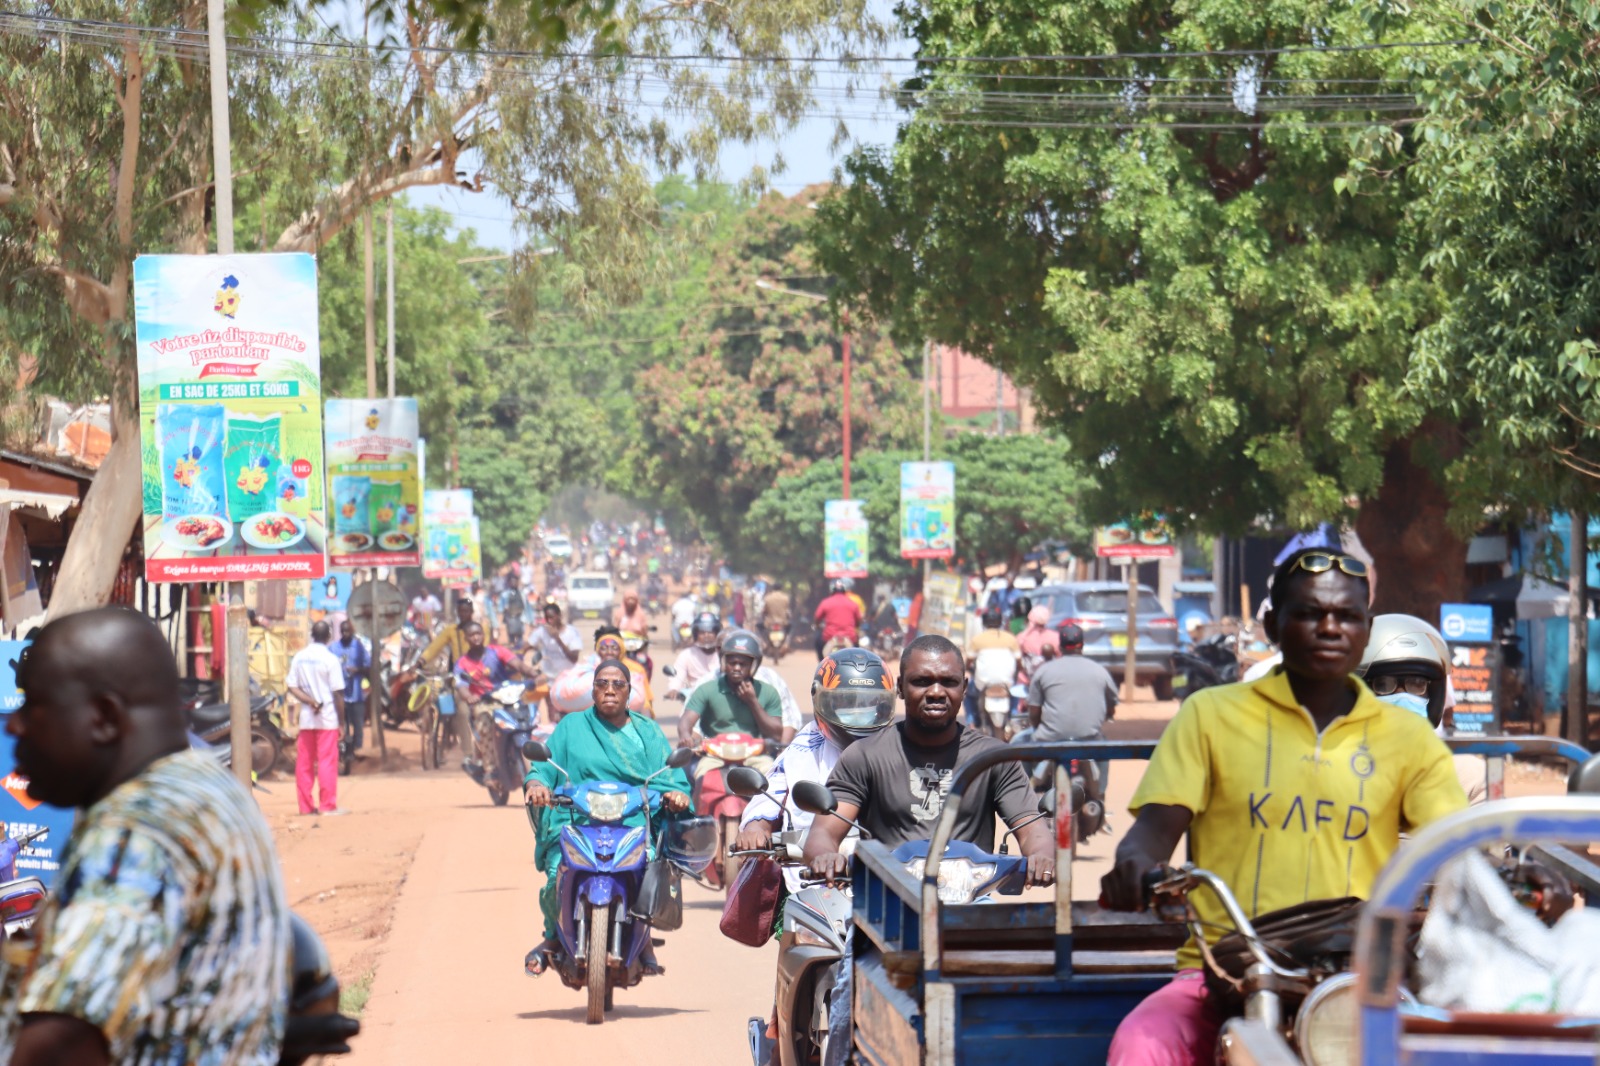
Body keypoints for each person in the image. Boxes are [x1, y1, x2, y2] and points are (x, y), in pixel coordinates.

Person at [1102, 549, 1468, 1065]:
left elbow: (1456, 844)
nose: (1329, 628)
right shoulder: (1210, 715)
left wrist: (1516, 881)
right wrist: (1134, 862)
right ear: (1273, 624)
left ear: (1365, 631)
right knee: (1145, 1043)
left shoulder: (1409, 738)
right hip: (1223, 968)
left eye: (1346, 617)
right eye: (1309, 613)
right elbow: (1157, 826)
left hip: (1357, 972)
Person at [0, 607, 292, 1065]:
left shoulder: (133, 831)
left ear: (103, 717)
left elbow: (63, 1039)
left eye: (33, 706)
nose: (14, 726)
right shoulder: (209, 788)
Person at [804, 634, 1055, 886]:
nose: (936, 692)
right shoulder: (864, 755)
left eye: (949, 682)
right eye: (922, 681)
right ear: (900, 688)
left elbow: (1032, 829)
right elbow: (824, 831)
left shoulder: (994, 759)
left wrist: (1041, 856)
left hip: (973, 906)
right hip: (885, 903)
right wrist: (825, 856)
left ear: (964, 688)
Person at [522, 659, 692, 977]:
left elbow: (669, 775)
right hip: (577, 819)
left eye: (618, 684)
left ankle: (643, 937)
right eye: (602, 684)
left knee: (650, 868)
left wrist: (676, 794)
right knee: (555, 875)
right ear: (593, 690)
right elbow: (544, 766)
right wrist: (537, 783)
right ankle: (553, 937)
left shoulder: (647, 731)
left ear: (629, 692)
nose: (610, 690)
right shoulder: (572, 727)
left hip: (630, 823)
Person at [734, 648, 897, 890]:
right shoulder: (804, 747)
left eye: (870, 704)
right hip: (813, 877)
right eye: (844, 702)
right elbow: (775, 787)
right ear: (819, 699)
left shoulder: (899, 746)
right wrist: (756, 827)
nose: (858, 713)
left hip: (891, 875)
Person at [1016, 623, 1117, 787]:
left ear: (1060, 647)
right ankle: (1100, 795)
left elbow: (1034, 712)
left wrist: (1037, 727)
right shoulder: (1100, 671)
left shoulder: (1044, 671)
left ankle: (1023, 797)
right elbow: (1111, 706)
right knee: (1105, 752)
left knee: (1017, 744)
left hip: (1049, 739)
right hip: (1090, 739)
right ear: (1082, 645)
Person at [676, 630, 786, 777]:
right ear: (723, 662)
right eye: (732, 663)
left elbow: (776, 734)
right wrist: (685, 736)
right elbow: (687, 719)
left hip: (755, 756)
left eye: (743, 664)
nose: (736, 668)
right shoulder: (707, 689)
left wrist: (752, 701)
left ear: (754, 665)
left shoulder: (768, 692)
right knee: (701, 776)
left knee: (772, 776)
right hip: (714, 756)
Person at [683, 628, 802, 743]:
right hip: (715, 753)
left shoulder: (770, 681)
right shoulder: (706, 684)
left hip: (758, 754)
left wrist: (779, 753)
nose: (737, 667)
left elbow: (788, 723)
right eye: (720, 648)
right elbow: (692, 728)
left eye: (743, 662)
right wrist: (691, 741)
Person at [454, 622, 532, 784]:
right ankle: (491, 769)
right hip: (484, 702)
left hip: (505, 697)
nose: (476, 637)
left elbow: (516, 663)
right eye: (472, 635)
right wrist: (469, 696)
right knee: (484, 721)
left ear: (483, 635)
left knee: (528, 717)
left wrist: (531, 672)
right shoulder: (462, 663)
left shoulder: (497, 651)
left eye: (478, 633)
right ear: (466, 638)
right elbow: (461, 686)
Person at [287, 620, 347, 816]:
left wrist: (309, 700)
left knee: (304, 763)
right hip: (327, 718)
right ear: (329, 636)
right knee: (326, 762)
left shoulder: (299, 657)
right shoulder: (330, 660)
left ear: (312, 635)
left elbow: (292, 686)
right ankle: (327, 805)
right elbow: (338, 694)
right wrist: (342, 722)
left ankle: (305, 807)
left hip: (307, 718)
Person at [964, 605, 1021, 733]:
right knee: (1016, 693)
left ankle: (971, 723)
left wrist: (969, 669)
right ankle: (1013, 716)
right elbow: (1019, 663)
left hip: (983, 684)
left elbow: (968, 663)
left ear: (983, 622)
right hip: (1007, 683)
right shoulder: (1011, 639)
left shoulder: (977, 640)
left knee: (967, 694)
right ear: (1001, 622)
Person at [331, 619, 371, 753]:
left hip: (356, 696)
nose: (345, 634)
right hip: (338, 696)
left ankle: (358, 750)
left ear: (352, 631)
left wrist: (357, 670)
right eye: (343, 631)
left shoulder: (359, 647)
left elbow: (369, 667)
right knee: (337, 725)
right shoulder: (333, 648)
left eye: (348, 631)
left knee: (358, 726)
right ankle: (337, 751)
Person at [666, 612, 723, 695]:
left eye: (710, 632)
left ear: (717, 634)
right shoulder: (687, 655)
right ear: (696, 634)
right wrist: (674, 689)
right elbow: (678, 675)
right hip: (694, 698)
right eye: (702, 633)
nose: (706, 635)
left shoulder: (724, 654)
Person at [813, 580, 863, 659]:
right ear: (844, 591)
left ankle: (821, 665)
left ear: (832, 591)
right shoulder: (852, 603)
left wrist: (817, 625)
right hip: (849, 636)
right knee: (857, 649)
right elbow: (859, 620)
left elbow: (817, 617)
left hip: (829, 636)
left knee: (818, 643)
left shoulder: (826, 602)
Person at [1017, 604, 1061, 683]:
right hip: (1049, 680)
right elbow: (1059, 658)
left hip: (1027, 680)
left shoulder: (1022, 637)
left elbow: (1017, 658)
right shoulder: (1055, 637)